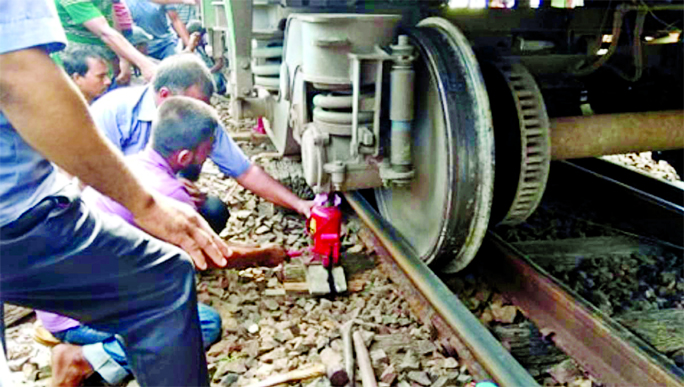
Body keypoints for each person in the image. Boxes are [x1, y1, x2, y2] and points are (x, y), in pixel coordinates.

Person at [0, 2, 260, 386]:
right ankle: (83, 359)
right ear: (185, 155)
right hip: (17, 219)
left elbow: (242, 168)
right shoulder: (158, 176)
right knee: (167, 282)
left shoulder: (141, 153)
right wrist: (144, 204)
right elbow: (21, 79)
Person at [36, 96, 286, 386]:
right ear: (183, 157)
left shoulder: (128, 164)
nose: (210, 154)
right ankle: (81, 359)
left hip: (61, 300)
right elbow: (217, 255)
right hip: (75, 321)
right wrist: (263, 255)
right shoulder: (171, 194)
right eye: (208, 147)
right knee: (203, 324)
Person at [89, 53, 315, 219]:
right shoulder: (111, 112)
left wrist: (299, 204)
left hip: (163, 192)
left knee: (214, 213)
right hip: (113, 208)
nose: (199, 112)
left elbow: (244, 170)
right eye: (195, 104)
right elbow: (90, 177)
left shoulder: (197, 116)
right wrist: (163, 188)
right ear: (165, 95)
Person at [54, 0, 157, 85]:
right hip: (76, 58)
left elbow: (112, 17)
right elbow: (104, 32)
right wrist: (145, 65)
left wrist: (123, 59)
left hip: (103, 54)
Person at [126, 0, 194, 60]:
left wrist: (189, 46)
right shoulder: (124, 3)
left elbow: (175, 20)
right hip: (142, 48)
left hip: (166, 44)